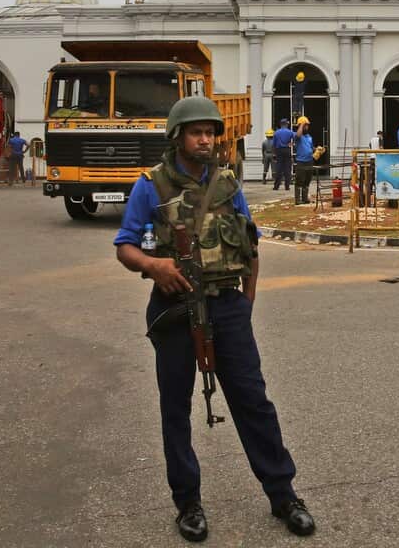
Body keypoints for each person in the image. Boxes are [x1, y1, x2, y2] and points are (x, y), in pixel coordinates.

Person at [113, 97, 315, 542]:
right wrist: (154, 266)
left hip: (227, 306)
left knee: (253, 402)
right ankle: (188, 503)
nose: (205, 139)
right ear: (178, 136)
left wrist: (247, 301)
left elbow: (250, 244)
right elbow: (126, 245)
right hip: (176, 308)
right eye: (196, 132)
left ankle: (283, 494)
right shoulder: (150, 186)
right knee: (176, 408)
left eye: (210, 132)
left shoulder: (227, 183)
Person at [293, 116, 315, 205]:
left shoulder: (309, 137)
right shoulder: (298, 136)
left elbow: (311, 147)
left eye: (307, 126)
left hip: (309, 160)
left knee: (307, 180)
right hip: (301, 161)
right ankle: (298, 200)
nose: (307, 127)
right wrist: (301, 124)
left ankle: (305, 198)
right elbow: (298, 134)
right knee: (299, 181)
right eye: (306, 125)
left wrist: (316, 149)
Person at [271, 119, 295, 191]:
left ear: (281, 124)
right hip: (287, 150)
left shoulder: (276, 133)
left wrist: (274, 153)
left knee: (279, 168)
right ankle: (287, 186)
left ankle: (276, 186)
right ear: (286, 124)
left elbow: (274, 145)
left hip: (279, 151)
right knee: (287, 168)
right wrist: (292, 143)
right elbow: (296, 137)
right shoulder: (290, 132)